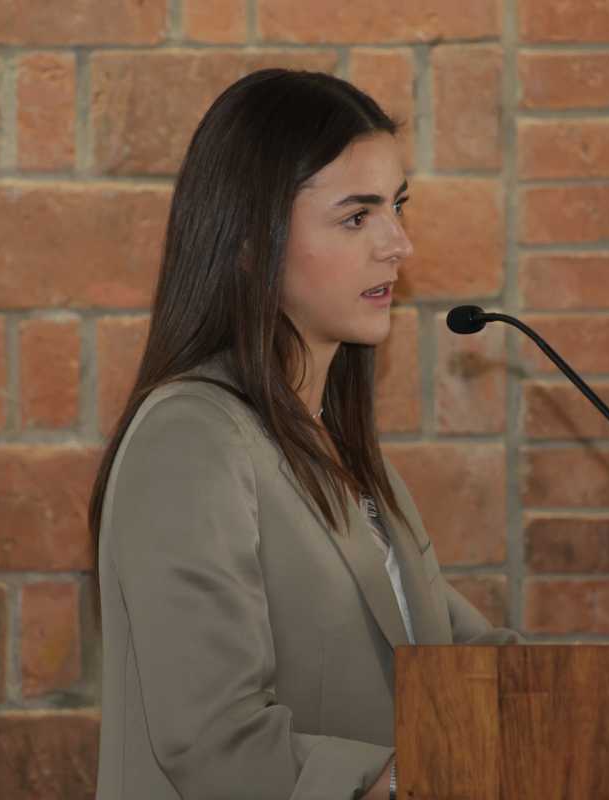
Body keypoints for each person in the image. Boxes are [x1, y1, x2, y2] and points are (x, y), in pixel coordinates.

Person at [90, 68, 521, 800]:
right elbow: (213, 739)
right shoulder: (190, 440)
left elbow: (462, 659)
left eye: (396, 207)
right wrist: (408, 779)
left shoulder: (341, 452)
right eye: (356, 218)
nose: (398, 245)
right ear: (249, 242)